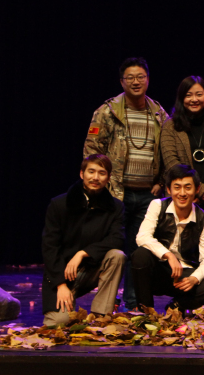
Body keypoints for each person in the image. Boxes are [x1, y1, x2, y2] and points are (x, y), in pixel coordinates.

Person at [83, 57, 167, 310]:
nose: (135, 82)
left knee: (138, 250)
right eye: (130, 78)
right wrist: (101, 184)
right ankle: (106, 302)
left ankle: (132, 304)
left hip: (147, 195)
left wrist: (162, 181)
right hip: (115, 194)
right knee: (114, 249)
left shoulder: (159, 113)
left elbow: (169, 150)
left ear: (148, 79)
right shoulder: (107, 112)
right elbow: (92, 150)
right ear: (122, 82)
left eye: (140, 77)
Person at [41, 154, 126, 326]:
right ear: (82, 174)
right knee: (58, 323)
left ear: (108, 178)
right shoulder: (60, 204)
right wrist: (60, 285)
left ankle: (101, 315)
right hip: (63, 274)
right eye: (91, 171)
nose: (96, 177)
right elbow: (50, 247)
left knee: (117, 255)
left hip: (92, 269)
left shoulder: (115, 207)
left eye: (102, 173)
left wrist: (83, 253)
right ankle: (64, 299)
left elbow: (117, 238)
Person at [132, 164, 204, 312]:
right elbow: (142, 236)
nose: (182, 193)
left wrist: (194, 278)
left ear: (197, 189)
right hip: (159, 270)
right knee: (140, 255)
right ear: (168, 189)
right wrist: (168, 255)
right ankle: (146, 311)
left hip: (184, 274)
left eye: (188, 187)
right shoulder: (157, 205)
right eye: (177, 187)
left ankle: (175, 307)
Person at [161, 76, 204, 216]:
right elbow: (171, 162)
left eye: (199, 94)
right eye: (188, 95)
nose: (194, 99)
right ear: (181, 98)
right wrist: (196, 189)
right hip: (182, 196)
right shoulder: (170, 126)